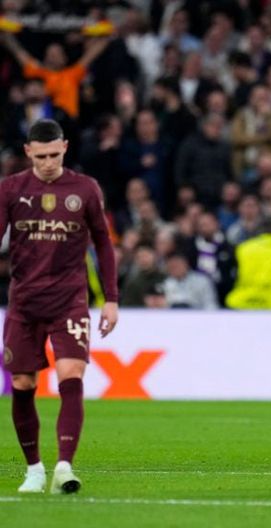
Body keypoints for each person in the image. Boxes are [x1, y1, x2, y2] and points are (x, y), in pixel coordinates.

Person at [0, 119, 118, 494]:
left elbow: (103, 243)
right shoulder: (10, 189)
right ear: (28, 152)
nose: (49, 163)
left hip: (69, 300)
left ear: (65, 147)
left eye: (55, 154)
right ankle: (34, 470)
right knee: (23, 383)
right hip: (24, 302)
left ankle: (64, 467)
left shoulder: (85, 189)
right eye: (41, 157)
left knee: (71, 374)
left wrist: (111, 299)